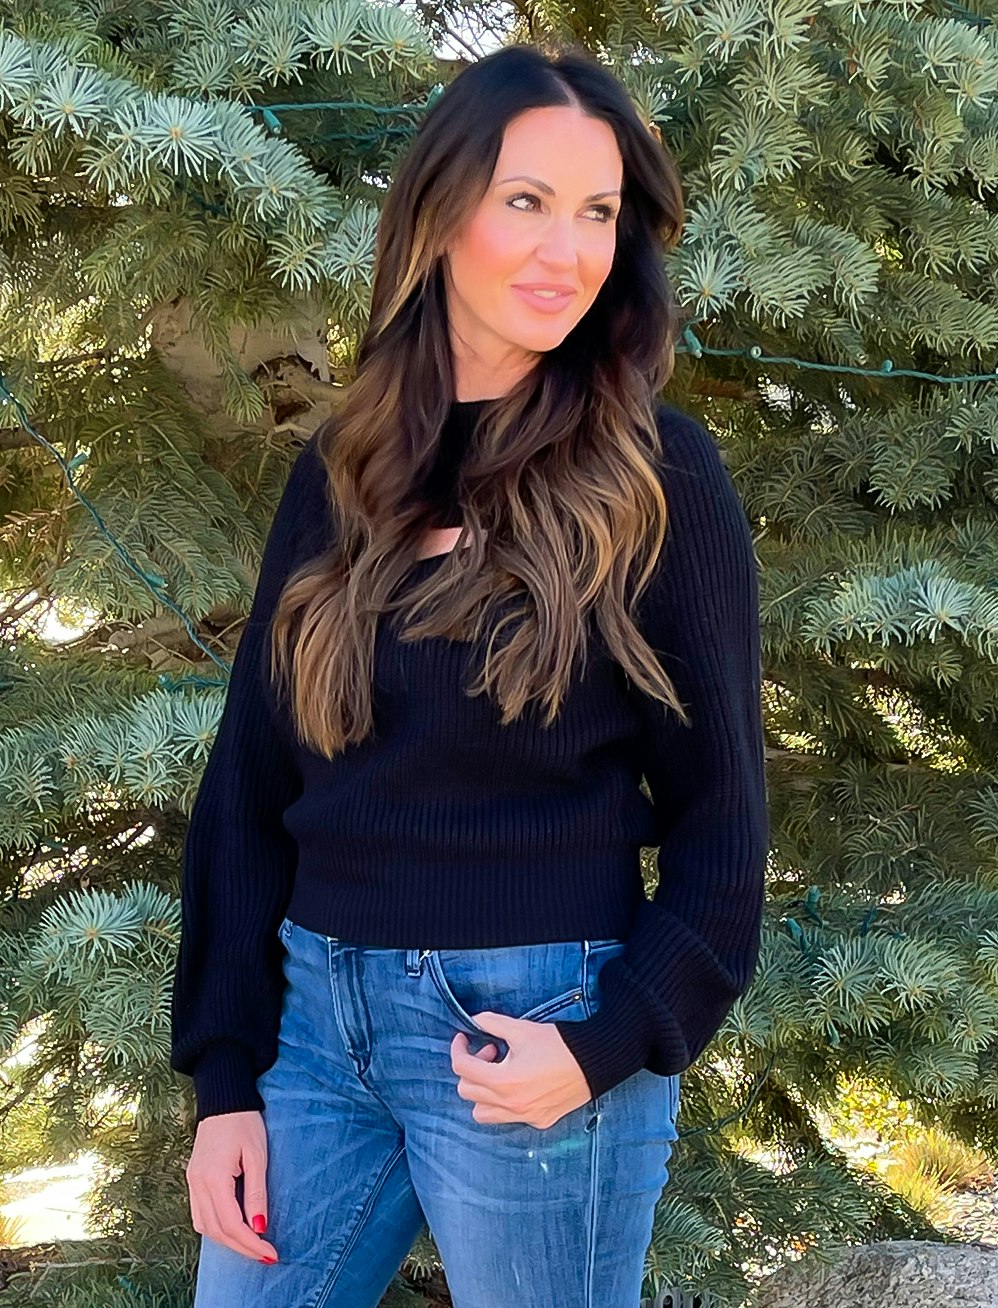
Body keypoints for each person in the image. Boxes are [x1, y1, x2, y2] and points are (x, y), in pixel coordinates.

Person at [170, 40, 769, 1308]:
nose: (569, 252)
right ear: (440, 213)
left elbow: (723, 831)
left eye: (598, 213)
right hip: (316, 1032)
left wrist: (606, 1043)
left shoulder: (655, 480)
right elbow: (252, 779)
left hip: (532, 1036)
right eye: (527, 202)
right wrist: (227, 1079)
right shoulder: (343, 467)